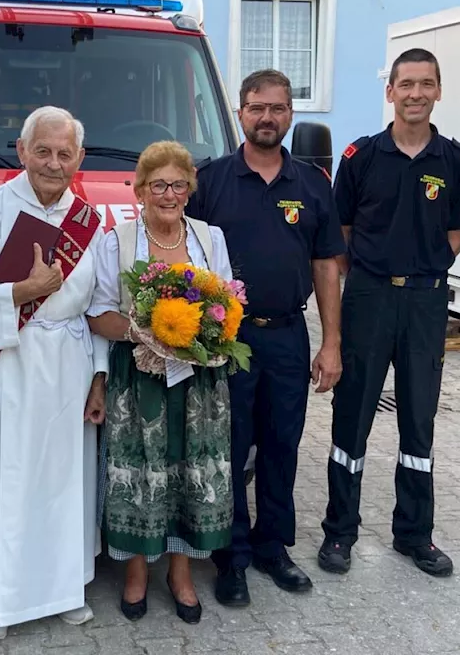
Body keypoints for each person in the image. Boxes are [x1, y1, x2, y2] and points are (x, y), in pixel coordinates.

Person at [185, 69, 346, 607]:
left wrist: (331, 343)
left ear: (290, 115)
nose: (267, 118)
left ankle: (272, 547)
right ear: (240, 111)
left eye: (278, 108)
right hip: (227, 339)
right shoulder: (210, 182)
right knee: (229, 448)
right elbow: (187, 262)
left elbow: (326, 266)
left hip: (287, 337)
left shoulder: (312, 185)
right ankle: (230, 556)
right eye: (257, 108)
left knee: (282, 443)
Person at [0, 105, 105, 640]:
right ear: (22, 152)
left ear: (79, 158)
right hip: (10, 362)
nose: (53, 163)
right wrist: (20, 293)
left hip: (71, 363)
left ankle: (64, 588)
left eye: (64, 153)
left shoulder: (92, 220)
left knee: (64, 481)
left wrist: (100, 375)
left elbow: (102, 304)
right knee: (6, 478)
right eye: (43, 151)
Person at [319, 47, 460, 578]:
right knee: (352, 415)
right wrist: (376, 273)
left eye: (425, 84)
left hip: (427, 301)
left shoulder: (456, 161)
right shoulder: (361, 157)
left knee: (418, 420)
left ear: (438, 90)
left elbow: (455, 236)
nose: (415, 94)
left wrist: (420, 270)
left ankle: (414, 535)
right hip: (369, 297)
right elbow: (339, 237)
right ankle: (340, 533)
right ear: (391, 92)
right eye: (405, 84)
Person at [87, 140, 235, 625]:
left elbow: (228, 304)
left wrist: (211, 335)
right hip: (140, 377)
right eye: (158, 185)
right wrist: (141, 332)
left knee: (190, 472)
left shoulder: (210, 239)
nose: (168, 194)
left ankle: (181, 573)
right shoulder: (118, 241)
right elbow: (99, 313)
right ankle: (135, 572)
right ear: (141, 190)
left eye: (177, 185)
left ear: (189, 190)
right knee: (142, 476)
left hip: (199, 380)